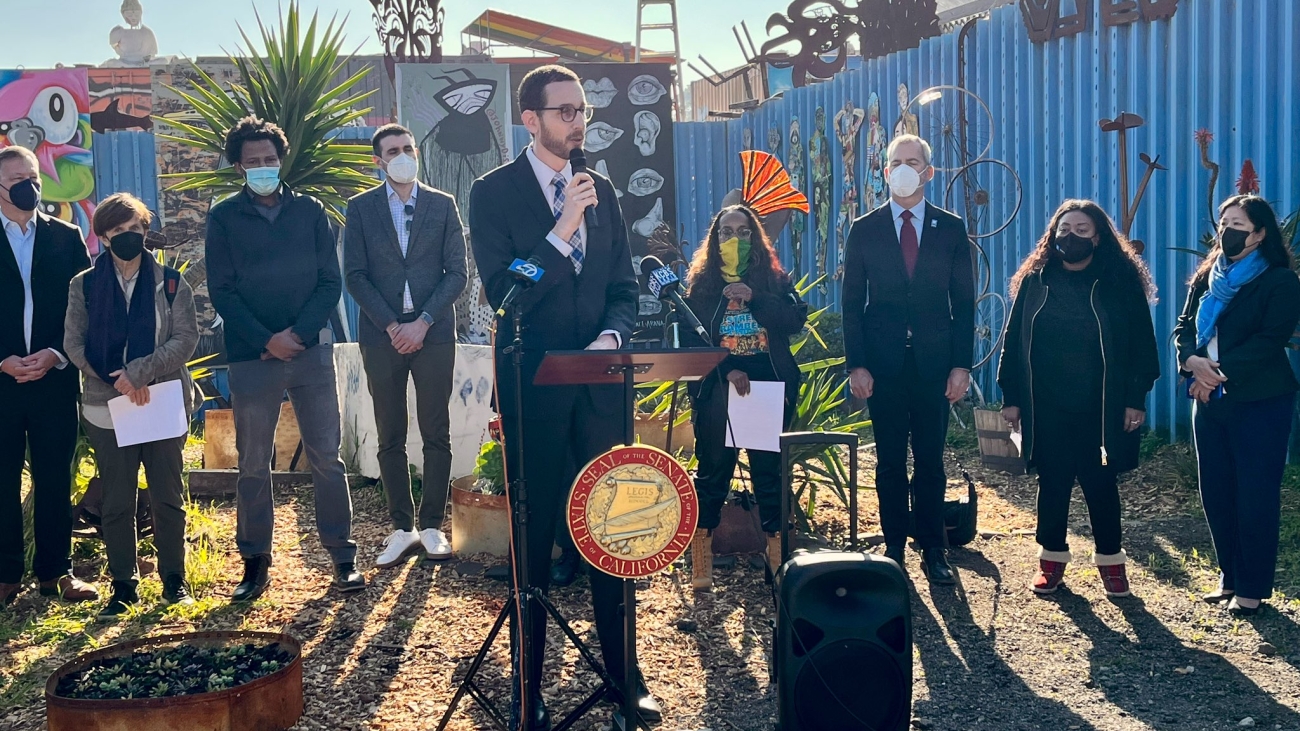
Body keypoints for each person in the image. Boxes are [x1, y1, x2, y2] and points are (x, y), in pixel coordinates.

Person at [468, 65, 657, 730]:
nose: (579, 121)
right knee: (537, 538)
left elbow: (625, 288)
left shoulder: (603, 188)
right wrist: (561, 227)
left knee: (612, 532)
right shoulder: (493, 193)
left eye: (583, 109)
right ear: (531, 120)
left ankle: (622, 676)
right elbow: (506, 290)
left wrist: (613, 332)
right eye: (565, 110)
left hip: (600, 393)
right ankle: (529, 684)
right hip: (534, 394)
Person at [205, 116, 363, 602]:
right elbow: (222, 291)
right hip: (253, 358)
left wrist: (296, 333)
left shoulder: (311, 212)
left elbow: (328, 281)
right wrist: (266, 340)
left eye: (269, 160)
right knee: (253, 462)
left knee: (326, 458)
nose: (263, 168)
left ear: (281, 160)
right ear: (238, 167)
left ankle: (342, 554)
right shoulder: (224, 218)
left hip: (310, 351)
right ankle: (255, 561)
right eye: (252, 162)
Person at [997, 199, 1160, 598]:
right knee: (1052, 484)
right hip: (1046, 406)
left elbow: (1143, 344)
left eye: (1082, 230)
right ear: (1052, 237)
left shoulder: (1119, 284)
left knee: (1100, 483)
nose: (1071, 237)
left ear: (1099, 237)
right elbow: (1013, 341)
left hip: (1101, 409)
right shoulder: (1036, 281)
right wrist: (1011, 396)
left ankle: (1112, 564)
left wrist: (1135, 398)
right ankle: (1051, 562)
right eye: (1064, 230)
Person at [842, 134, 974, 584]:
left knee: (931, 461)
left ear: (928, 172)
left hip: (935, 365)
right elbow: (851, 303)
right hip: (883, 366)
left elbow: (964, 303)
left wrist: (962, 365)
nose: (904, 167)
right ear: (884, 172)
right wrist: (856, 364)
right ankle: (894, 546)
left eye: (913, 161)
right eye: (896, 161)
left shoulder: (951, 228)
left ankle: (934, 548)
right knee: (891, 461)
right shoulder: (865, 228)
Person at [64, 193, 200, 617]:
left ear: (146, 231)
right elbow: (74, 343)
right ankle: (123, 586)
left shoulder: (172, 282)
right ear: (103, 236)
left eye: (135, 229)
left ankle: (174, 582)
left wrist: (140, 372)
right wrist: (117, 381)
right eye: (118, 231)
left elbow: (185, 338)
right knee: (118, 500)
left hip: (160, 402)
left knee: (167, 495)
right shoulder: (83, 285)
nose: (128, 237)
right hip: (108, 408)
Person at [345, 124, 467, 568]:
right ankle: (402, 527)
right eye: (392, 151)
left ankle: (433, 526)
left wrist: (424, 322)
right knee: (389, 431)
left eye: (407, 148)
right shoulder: (360, 209)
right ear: (378, 160)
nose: (402, 156)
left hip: (433, 333)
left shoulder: (442, 204)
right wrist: (394, 324)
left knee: (437, 429)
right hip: (383, 335)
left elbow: (457, 272)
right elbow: (355, 274)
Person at [1173, 195, 1300, 617]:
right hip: (1207, 397)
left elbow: (1270, 339)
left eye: (1238, 223)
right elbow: (1184, 326)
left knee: (1255, 493)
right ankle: (1229, 575)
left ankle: (1253, 587)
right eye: (1224, 221)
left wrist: (1214, 373)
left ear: (1260, 233)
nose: (1227, 230)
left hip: (1259, 399)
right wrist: (1190, 363)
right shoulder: (1209, 275)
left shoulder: (1279, 281)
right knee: (1217, 490)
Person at [682, 204, 807, 590]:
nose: (733, 239)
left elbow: (794, 320)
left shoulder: (772, 278)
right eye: (725, 232)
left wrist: (755, 297)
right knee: (714, 472)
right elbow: (690, 343)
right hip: (721, 388)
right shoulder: (701, 286)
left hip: (765, 386)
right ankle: (702, 556)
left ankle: (776, 559)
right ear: (714, 240)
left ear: (754, 237)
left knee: (769, 475)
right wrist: (724, 369)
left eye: (742, 231)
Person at [0, 145, 99, 607]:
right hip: (1, 380)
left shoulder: (66, 237)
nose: (29, 187)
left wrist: (58, 354)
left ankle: (55, 573)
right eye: (18, 179)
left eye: (33, 177)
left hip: (53, 378)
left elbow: (84, 309)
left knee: (55, 476)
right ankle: (5, 576)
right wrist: (2, 358)